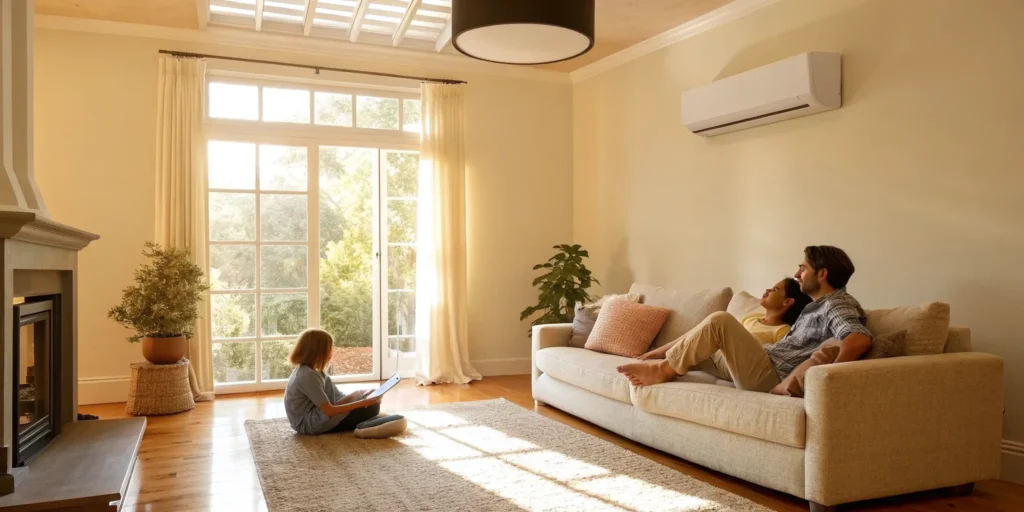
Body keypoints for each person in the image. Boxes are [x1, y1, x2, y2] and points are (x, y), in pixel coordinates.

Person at [617, 246, 872, 393]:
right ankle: (661, 362)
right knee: (703, 341)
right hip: (763, 364)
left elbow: (857, 338)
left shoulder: (837, 303)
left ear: (823, 273)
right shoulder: (816, 307)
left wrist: (830, 376)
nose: (797, 274)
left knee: (721, 321)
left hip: (770, 375)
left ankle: (662, 371)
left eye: (803, 268)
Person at [637, 277, 811, 366]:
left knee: (719, 318)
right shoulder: (752, 318)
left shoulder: (782, 330)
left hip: (740, 366)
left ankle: (662, 362)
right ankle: (657, 354)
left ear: (787, 302)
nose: (767, 290)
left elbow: (773, 361)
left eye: (774, 289)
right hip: (717, 358)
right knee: (697, 334)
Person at [284, 328, 383, 435]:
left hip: (316, 415)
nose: (332, 352)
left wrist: (361, 394)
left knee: (367, 402)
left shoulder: (312, 370)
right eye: (330, 348)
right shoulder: (308, 376)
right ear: (319, 351)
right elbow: (330, 410)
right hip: (309, 424)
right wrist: (363, 403)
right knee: (371, 409)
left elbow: (336, 398)